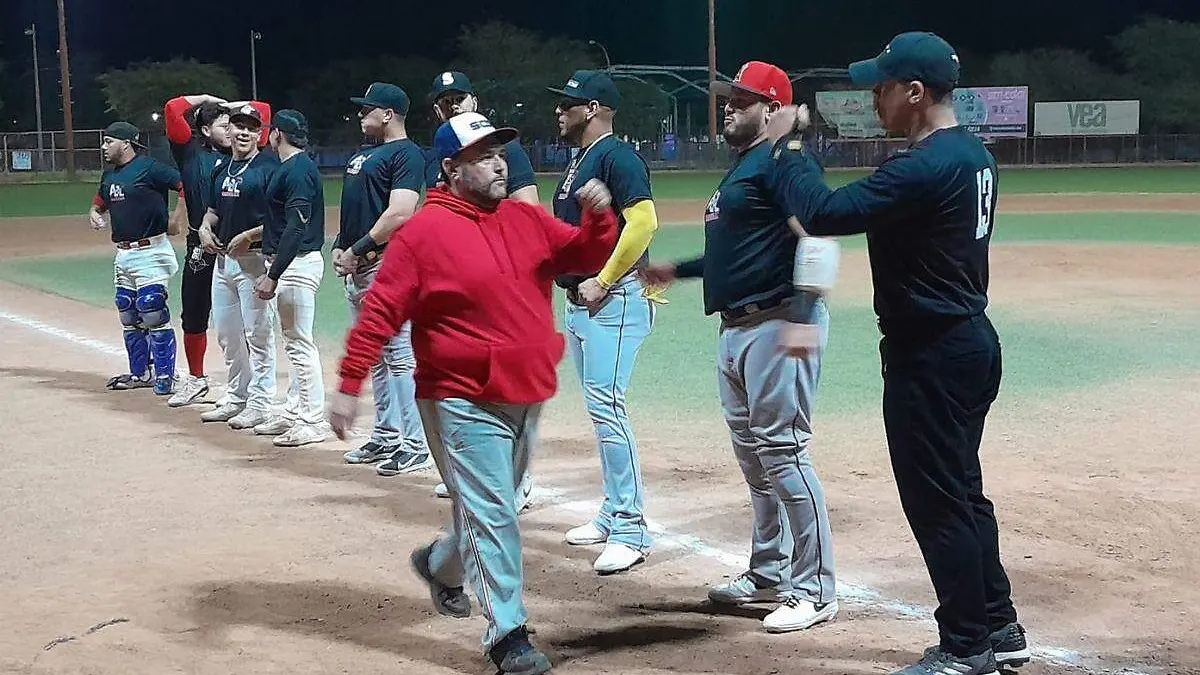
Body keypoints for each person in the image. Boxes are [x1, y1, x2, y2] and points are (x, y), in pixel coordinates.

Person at [764, 32, 1029, 675]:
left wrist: (790, 148)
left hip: (931, 354)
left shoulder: (923, 167)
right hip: (967, 342)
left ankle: (965, 645)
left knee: (938, 504)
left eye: (882, 88)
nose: (873, 99)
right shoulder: (972, 154)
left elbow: (823, 214)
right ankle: (998, 624)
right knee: (962, 491)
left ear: (915, 92)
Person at [328, 112, 618, 675]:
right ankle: (508, 633)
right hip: (459, 396)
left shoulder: (523, 218)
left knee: (488, 508)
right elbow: (380, 312)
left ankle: (440, 565)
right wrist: (348, 384)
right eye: (483, 157)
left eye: (499, 153)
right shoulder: (422, 235)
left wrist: (599, 219)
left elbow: (583, 256)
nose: (499, 164)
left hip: (526, 389)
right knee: (494, 514)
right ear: (451, 169)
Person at [640, 61, 839, 633]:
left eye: (742, 100)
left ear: (773, 109)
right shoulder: (747, 166)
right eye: (729, 99)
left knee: (785, 454)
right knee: (756, 461)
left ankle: (816, 588)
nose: (728, 107)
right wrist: (679, 270)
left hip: (778, 323)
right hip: (736, 328)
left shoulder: (784, 162)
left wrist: (803, 323)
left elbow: (819, 240)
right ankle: (769, 571)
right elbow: (738, 252)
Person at [546, 69, 663, 574]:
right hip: (582, 303)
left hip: (612, 300)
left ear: (592, 109)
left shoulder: (618, 156)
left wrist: (606, 279)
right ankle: (614, 510)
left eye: (567, 104)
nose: (559, 111)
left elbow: (644, 222)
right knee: (600, 410)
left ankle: (632, 529)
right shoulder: (580, 159)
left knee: (607, 407)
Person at [426, 70, 539, 507]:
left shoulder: (504, 152)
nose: (452, 105)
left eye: (459, 97)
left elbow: (528, 210)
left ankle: (516, 481)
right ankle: (475, 470)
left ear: (473, 99)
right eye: (444, 101)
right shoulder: (442, 155)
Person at [333, 82, 431, 476]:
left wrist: (357, 249)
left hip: (386, 265)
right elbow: (354, 208)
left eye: (367, 109)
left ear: (388, 114)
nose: (361, 114)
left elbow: (400, 213)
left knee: (400, 357)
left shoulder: (407, 154)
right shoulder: (365, 154)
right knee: (375, 356)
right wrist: (341, 247)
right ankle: (386, 434)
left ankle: (416, 443)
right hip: (358, 265)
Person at [162, 93, 271, 407]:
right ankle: (196, 379)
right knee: (194, 313)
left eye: (233, 124)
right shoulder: (191, 154)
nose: (232, 129)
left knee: (248, 322)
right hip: (201, 245)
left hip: (242, 249)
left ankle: (252, 387)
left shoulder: (246, 156)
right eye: (224, 125)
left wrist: (230, 109)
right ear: (206, 130)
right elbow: (172, 109)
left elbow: (263, 111)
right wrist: (208, 99)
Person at [196, 105, 281, 430]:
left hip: (255, 261)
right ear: (228, 130)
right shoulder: (221, 169)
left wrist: (249, 235)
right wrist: (205, 228)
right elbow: (213, 211)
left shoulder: (269, 169)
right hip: (223, 262)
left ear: (260, 135)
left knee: (257, 335)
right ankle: (237, 395)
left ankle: (261, 404)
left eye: (251, 128)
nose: (244, 133)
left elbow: (280, 219)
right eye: (238, 126)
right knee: (228, 335)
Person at [249, 109, 330, 447]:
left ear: (277, 134)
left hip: (296, 264)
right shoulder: (293, 166)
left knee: (299, 343)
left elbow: (296, 226)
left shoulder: (297, 170)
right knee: (293, 341)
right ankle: (296, 410)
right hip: (290, 262)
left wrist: (273, 274)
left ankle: (312, 420)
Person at [89, 121, 184, 396]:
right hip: (124, 254)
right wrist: (94, 211)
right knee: (128, 312)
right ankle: (141, 373)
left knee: (152, 309)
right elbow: (101, 197)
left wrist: (176, 218)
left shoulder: (150, 168)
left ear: (126, 143)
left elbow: (184, 185)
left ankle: (166, 376)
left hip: (152, 252)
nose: (104, 147)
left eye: (109, 141)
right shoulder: (110, 175)